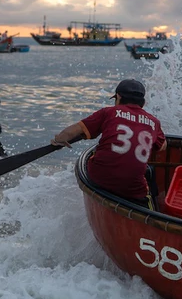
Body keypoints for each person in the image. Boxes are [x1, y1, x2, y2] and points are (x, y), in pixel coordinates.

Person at [51, 79, 167, 209]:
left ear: (118, 97)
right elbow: (162, 147)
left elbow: (72, 131)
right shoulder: (154, 122)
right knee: (149, 175)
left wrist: (58, 140)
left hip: (99, 178)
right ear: (143, 103)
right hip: (132, 190)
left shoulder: (108, 112)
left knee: (98, 150)